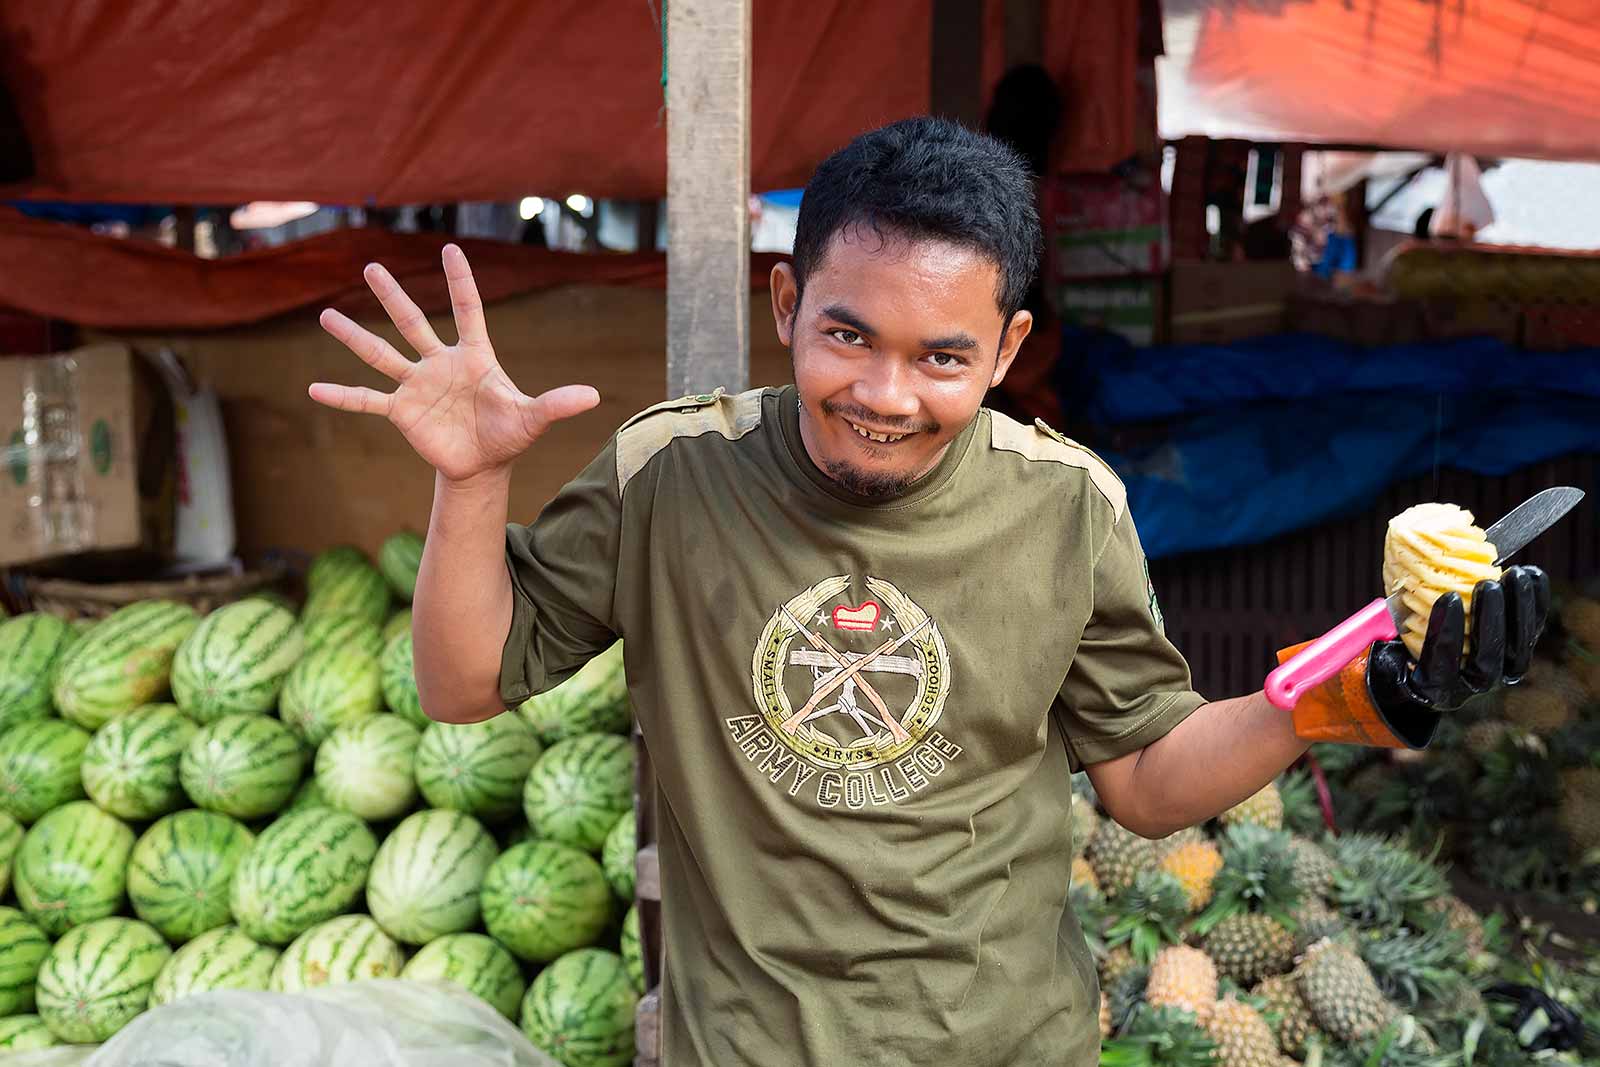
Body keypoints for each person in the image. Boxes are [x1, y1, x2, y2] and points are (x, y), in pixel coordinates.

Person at [309, 117, 1549, 1066]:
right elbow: (464, 683)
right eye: (848, 335)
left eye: (943, 356)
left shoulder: (1065, 507)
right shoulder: (670, 475)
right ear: (786, 305)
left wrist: (1353, 692)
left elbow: (1148, 781)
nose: (885, 394)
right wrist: (470, 483)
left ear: (1006, 351)